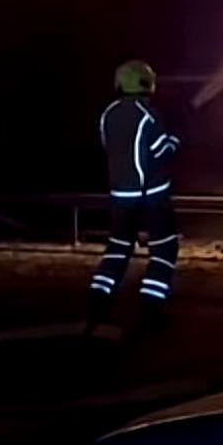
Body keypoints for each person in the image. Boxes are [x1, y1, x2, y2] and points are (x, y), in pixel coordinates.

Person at [89, 59, 180, 326]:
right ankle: (151, 310)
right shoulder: (148, 115)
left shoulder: (108, 114)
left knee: (118, 247)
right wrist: (176, 136)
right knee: (164, 250)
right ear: (147, 84)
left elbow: (111, 150)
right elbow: (162, 152)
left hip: (120, 195)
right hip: (152, 197)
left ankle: (98, 300)